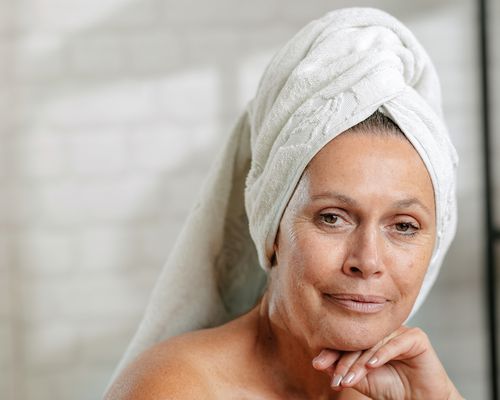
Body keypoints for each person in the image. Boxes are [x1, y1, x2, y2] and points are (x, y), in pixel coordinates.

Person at [104, 7, 462, 399]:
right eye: (333, 218)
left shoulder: (412, 392)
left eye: (404, 226)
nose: (368, 260)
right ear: (272, 229)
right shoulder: (176, 389)